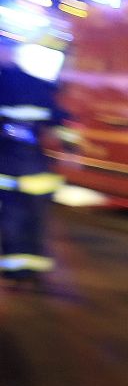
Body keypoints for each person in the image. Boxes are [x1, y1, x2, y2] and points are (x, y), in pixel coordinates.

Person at [0, 44, 63, 288]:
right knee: (35, 220)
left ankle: (16, 271)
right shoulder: (37, 84)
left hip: (8, 167)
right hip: (36, 168)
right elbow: (58, 119)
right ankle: (33, 270)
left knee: (12, 219)